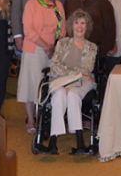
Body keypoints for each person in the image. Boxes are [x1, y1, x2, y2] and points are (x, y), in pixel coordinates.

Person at [36, 10, 98, 155]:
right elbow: (54, 67)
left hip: (82, 83)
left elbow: (87, 69)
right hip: (61, 81)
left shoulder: (92, 47)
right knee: (59, 95)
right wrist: (76, 72)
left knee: (73, 95)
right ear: (71, 26)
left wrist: (71, 71)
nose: (79, 26)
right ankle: (52, 142)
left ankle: (80, 143)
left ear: (87, 26)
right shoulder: (62, 44)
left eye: (83, 23)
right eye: (76, 23)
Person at [19, 0, 64, 133]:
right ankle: (31, 120)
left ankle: (46, 119)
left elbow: (62, 29)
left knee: (50, 85)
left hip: (53, 52)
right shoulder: (31, 4)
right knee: (32, 86)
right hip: (34, 50)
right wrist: (46, 46)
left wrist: (55, 48)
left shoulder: (58, 5)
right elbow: (28, 30)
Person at [64, 0, 116, 73]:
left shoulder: (102, 0)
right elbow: (64, 25)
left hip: (94, 52)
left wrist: (104, 50)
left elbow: (110, 27)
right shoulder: (70, 0)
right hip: (72, 51)